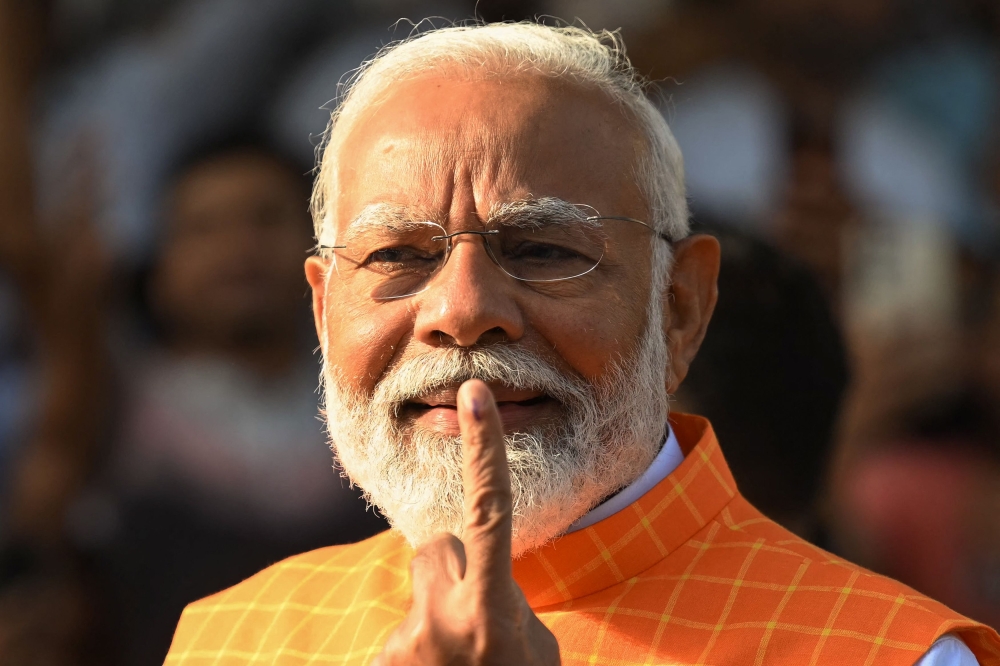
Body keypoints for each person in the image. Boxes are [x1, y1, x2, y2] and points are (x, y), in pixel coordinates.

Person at [164, 22, 1000, 665]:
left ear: (679, 307)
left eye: (543, 250)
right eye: (397, 257)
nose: (460, 311)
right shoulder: (234, 639)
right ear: (322, 310)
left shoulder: (888, 652)